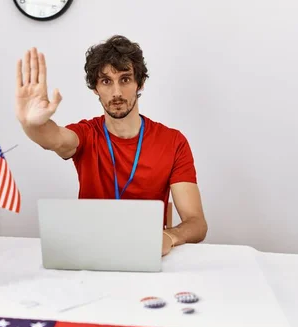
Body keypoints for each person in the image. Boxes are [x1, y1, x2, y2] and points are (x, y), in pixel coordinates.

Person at [15, 35, 208, 256]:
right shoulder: (87, 134)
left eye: (125, 79)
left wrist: (169, 237)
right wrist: (30, 123)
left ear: (140, 83)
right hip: (90, 252)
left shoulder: (173, 141)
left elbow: (197, 223)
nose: (116, 92)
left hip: (147, 251)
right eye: (106, 81)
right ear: (95, 88)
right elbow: (54, 138)